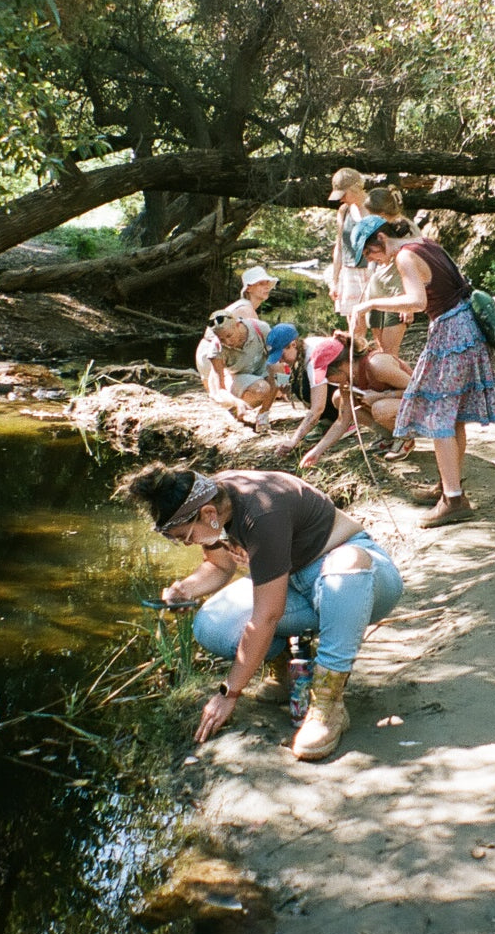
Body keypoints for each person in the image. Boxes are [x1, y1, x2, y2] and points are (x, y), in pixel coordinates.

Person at [119, 463, 404, 760]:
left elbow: (267, 616)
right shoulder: (212, 503)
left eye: (186, 536)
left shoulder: (261, 512)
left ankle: (327, 704)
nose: (187, 543)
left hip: (362, 581)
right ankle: (285, 669)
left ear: (208, 514)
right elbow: (219, 565)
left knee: (345, 566)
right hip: (294, 582)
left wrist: (228, 693)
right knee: (212, 626)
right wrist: (186, 589)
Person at [348, 214, 495, 528]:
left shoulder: (405, 256)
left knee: (438, 416)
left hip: (451, 334)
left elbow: (417, 302)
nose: (372, 260)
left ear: (381, 238)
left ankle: (454, 500)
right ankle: (448, 485)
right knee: (453, 416)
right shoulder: (426, 243)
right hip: (467, 328)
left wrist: (369, 305)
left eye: (369, 253)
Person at [300, 332, 412, 466]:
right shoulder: (348, 379)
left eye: (327, 375)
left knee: (380, 408)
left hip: (423, 409)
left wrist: (382, 396)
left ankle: (405, 438)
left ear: (342, 366)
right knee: (338, 397)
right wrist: (317, 451)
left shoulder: (377, 365)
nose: (328, 380)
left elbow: (419, 391)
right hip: (398, 407)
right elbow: (342, 421)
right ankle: (389, 436)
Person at [194, 310, 276, 434]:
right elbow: (220, 389)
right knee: (262, 389)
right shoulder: (216, 349)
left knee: (280, 372)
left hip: (261, 370)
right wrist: (236, 402)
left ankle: (263, 414)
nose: (227, 342)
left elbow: (277, 357)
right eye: (221, 339)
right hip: (237, 378)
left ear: (238, 325)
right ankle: (235, 411)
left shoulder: (260, 328)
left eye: (229, 336)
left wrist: (282, 383)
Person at [362, 187, 421, 355]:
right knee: (381, 352)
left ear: (381, 213)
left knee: (390, 354)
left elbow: (414, 266)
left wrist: (408, 306)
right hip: (376, 292)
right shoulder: (379, 228)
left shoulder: (407, 230)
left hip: (397, 295)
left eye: (371, 214)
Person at [328, 168, 370, 324]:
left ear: (355, 188)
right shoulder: (344, 211)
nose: (341, 199)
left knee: (377, 323)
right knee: (355, 324)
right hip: (350, 271)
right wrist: (334, 281)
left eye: (343, 195)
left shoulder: (376, 207)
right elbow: (339, 246)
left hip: (373, 270)